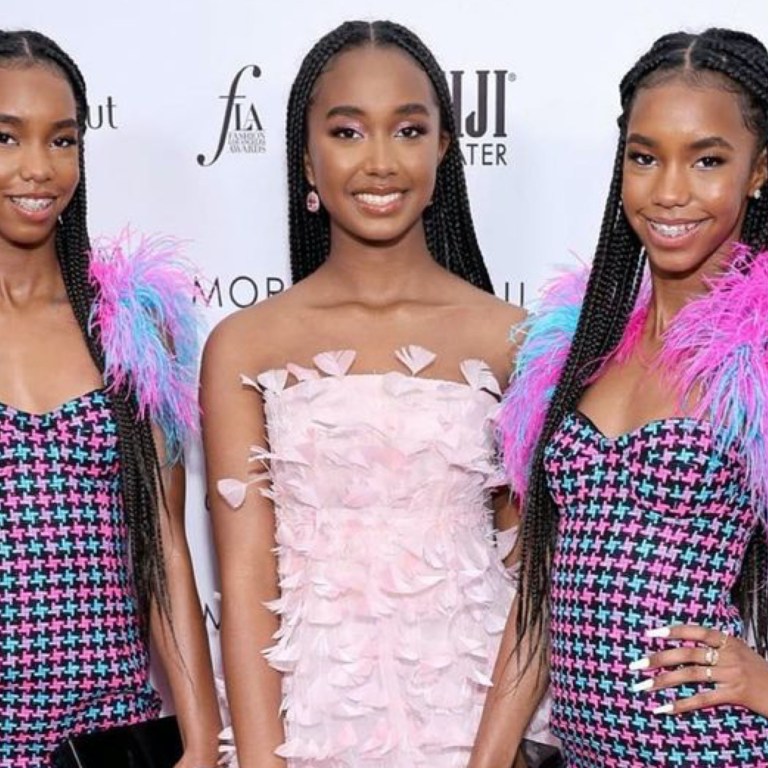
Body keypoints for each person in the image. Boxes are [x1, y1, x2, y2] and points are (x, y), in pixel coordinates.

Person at [201, 19, 539, 768]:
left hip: (476, 725)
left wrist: (499, 751)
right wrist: (261, 759)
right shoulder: (244, 345)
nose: (380, 162)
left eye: (409, 129)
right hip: (310, 725)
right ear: (307, 159)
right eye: (348, 132)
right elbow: (248, 576)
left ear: (444, 149)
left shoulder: (513, 339)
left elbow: (531, 572)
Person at [469, 27, 768, 767]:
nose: (669, 191)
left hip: (717, 749)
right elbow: (539, 594)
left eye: (707, 160)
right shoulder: (578, 348)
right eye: (645, 157)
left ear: (760, 170)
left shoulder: (757, 354)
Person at [0, 30, 220, 767]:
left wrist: (198, 737)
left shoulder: (129, 321)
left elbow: (163, 543)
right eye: (6, 138)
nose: (38, 168)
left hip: (109, 734)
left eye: (62, 140)